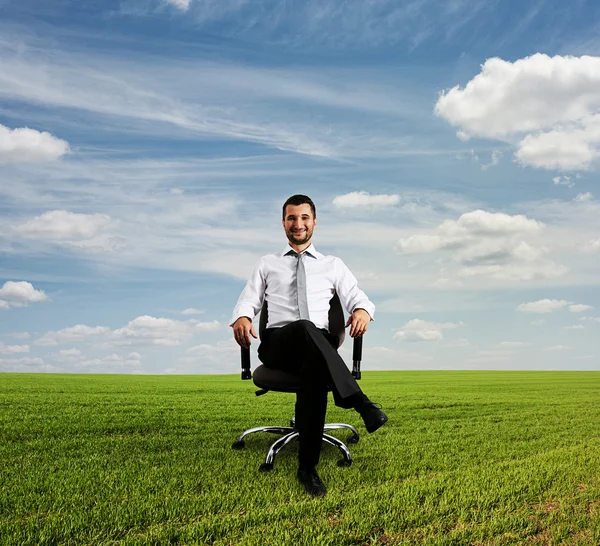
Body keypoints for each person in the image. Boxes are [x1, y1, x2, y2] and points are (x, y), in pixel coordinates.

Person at [231, 194, 387, 497]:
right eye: (291, 218)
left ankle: (308, 469)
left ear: (314, 222)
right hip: (279, 345)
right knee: (304, 328)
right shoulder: (267, 264)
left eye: (304, 218)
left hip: (317, 347)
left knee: (314, 371)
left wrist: (363, 311)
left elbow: (357, 296)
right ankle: (360, 403)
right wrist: (241, 317)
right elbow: (248, 299)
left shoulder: (332, 265)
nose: (298, 224)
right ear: (283, 223)